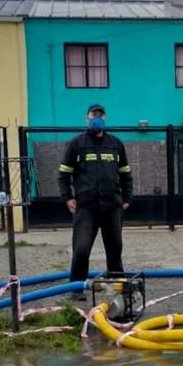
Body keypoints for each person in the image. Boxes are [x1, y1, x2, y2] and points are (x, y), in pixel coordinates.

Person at [58, 103, 133, 300]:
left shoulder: (116, 144)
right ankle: (76, 288)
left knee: (115, 248)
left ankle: (118, 285)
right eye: (94, 114)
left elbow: (126, 174)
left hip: (112, 207)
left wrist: (127, 198)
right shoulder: (76, 144)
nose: (97, 117)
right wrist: (67, 197)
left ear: (105, 119)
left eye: (100, 114)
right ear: (87, 118)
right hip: (86, 208)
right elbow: (64, 174)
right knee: (81, 249)